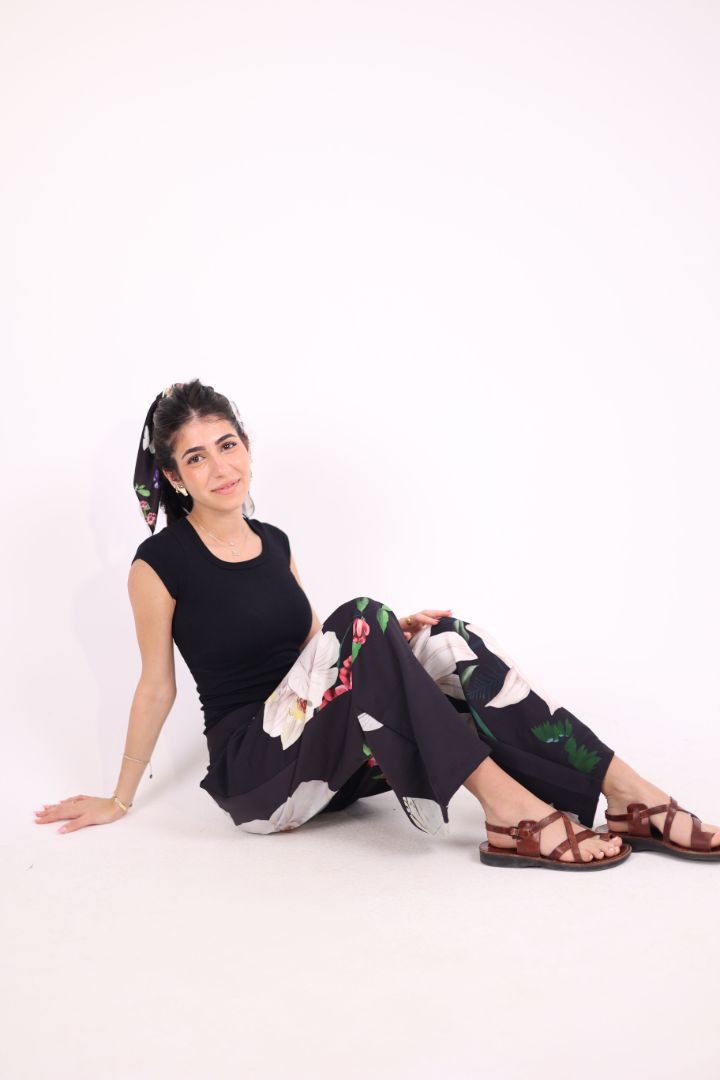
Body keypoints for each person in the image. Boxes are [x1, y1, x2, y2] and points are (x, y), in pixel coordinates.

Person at [34, 380, 720, 870]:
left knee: (447, 639)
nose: (221, 467)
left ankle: (630, 796)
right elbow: (157, 686)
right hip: (259, 777)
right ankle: (510, 814)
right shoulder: (158, 564)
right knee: (366, 617)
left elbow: (313, 656)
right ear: (175, 477)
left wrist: (396, 642)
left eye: (227, 444)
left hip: (332, 765)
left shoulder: (275, 542)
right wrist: (119, 798)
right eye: (196, 457)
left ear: (247, 447)